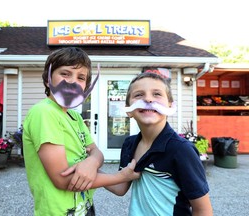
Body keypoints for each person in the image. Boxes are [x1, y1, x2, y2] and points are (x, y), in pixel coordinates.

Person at [22, 47, 139, 216]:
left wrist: (91, 162)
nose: (72, 81)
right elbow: (63, 180)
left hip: (83, 207)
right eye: (65, 73)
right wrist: (121, 177)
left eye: (81, 77)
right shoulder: (44, 112)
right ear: (48, 79)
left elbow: (97, 152)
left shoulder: (75, 116)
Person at [104, 72, 213, 215]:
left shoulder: (181, 150)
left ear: (170, 105)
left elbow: (203, 209)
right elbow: (120, 187)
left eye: (157, 94)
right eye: (138, 95)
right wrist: (89, 169)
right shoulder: (129, 144)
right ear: (128, 109)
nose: (148, 99)